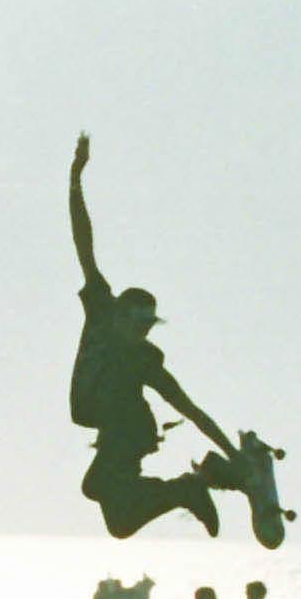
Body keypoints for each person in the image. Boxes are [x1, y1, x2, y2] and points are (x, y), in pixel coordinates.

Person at [67, 133, 244, 538]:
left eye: (147, 327)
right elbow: (83, 242)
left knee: (94, 486)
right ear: (119, 315)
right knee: (119, 524)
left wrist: (233, 451)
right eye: (137, 325)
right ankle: (190, 489)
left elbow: (190, 408)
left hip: (129, 431)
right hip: (112, 429)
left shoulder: (145, 360)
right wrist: (75, 179)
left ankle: (188, 489)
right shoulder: (100, 309)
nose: (142, 333)